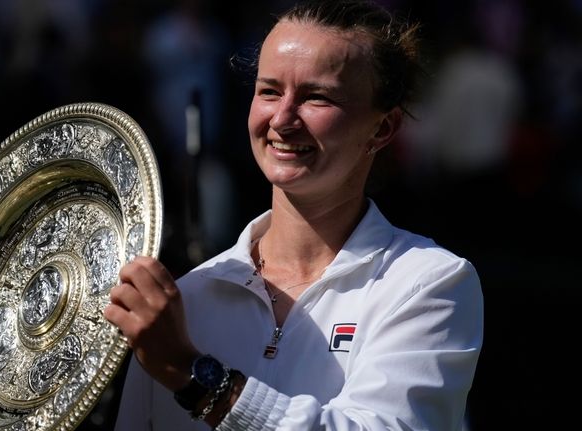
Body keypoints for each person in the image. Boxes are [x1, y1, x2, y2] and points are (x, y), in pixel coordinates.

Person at [103, 0, 484, 429]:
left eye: (316, 97)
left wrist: (191, 373)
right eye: (268, 91)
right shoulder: (184, 300)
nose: (282, 119)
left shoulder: (428, 283)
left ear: (382, 129)